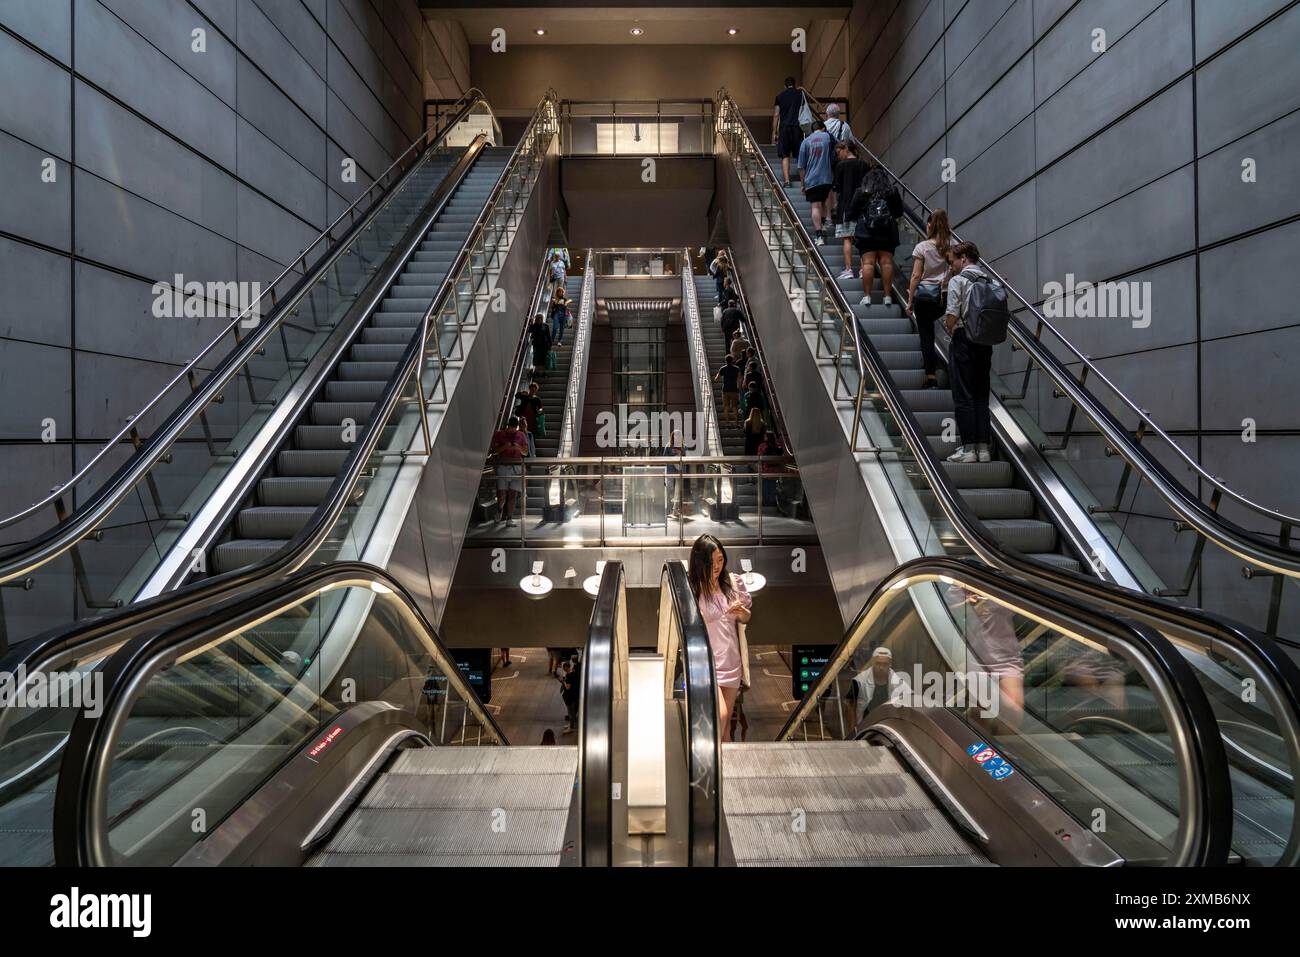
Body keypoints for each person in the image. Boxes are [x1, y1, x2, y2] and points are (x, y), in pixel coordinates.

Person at [688, 535, 752, 742]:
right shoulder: (692, 590)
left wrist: (742, 612)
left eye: (720, 560)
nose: (717, 566)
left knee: (725, 731)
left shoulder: (732, 583)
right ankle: (706, 767)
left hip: (732, 663)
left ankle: (727, 773)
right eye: (711, 562)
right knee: (721, 716)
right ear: (700, 563)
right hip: (707, 666)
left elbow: (745, 617)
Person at [943, 240, 995, 464]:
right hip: (985, 341)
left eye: (952, 261)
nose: (951, 266)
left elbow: (952, 316)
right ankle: (984, 449)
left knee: (964, 395)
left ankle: (968, 449)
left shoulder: (958, 280)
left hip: (964, 339)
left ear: (963, 258)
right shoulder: (989, 280)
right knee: (982, 395)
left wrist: (947, 324)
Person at [905, 208, 952, 390]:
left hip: (924, 297)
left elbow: (916, 276)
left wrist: (909, 301)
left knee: (926, 335)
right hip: (944, 297)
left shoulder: (922, 247)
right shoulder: (951, 245)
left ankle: (931, 376)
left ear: (930, 225)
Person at [847, 164, 904, 307]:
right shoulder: (892, 191)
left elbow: (851, 213)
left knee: (868, 264)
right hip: (887, 232)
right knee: (886, 263)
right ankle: (887, 296)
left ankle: (867, 297)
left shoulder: (862, 192)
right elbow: (898, 212)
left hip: (866, 232)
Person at [830, 140, 870, 279]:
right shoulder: (864, 164)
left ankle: (848, 270)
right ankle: (862, 270)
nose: (838, 155)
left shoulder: (841, 166)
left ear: (846, 149)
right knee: (861, 240)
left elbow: (836, 187)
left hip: (846, 206)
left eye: (839, 152)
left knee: (847, 239)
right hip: (862, 207)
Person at [845, 647, 912, 729]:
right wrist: (853, 732)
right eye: (878, 664)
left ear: (890, 664)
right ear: (872, 663)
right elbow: (850, 707)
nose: (881, 668)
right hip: (865, 727)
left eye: (885, 664)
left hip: (888, 727)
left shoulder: (898, 682)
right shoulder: (859, 681)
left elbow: (910, 701)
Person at [797, 120, 835, 245]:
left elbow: (801, 166)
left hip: (812, 179)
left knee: (815, 206)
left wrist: (802, 184)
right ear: (823, 128)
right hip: (827, 178)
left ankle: (819, 236)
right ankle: (823, 224)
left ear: (813, 130)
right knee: (824, 202)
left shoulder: (805, 142)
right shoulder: (828, 137)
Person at [490, 415, 529, 526]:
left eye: (514, 429)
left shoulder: (521, 435)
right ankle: (500, 509)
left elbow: (525, 452)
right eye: (511, 428)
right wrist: (505, 446)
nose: (513, 431)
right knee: (502, 494)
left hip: (516, 468)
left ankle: (509, 518)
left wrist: (518, 447)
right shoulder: (499, 434)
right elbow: (495, 451)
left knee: (513, 494)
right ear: (508, 426)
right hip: (503, 467)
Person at [772, 76, 805, 188]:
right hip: (797, 128)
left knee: (785, 155)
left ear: (785, 86)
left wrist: (774, 132)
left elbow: (776, 115)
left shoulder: (780, 96)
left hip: (784, 128)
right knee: (800, 155)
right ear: (794, 84)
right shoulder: (800, 94)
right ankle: (803, 183)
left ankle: (787, 181)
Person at [513, 382, 543, 456]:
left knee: (531, 435)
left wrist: (539, 411)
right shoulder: (525, 396)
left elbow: (540, 408)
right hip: (523, 418)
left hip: (532, 420)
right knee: (522, 433)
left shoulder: (537, 399)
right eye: (532, 389)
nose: (533, 391)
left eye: (535, 390)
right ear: (529, 389)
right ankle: (522, 451)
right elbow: (516, 396)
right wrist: (521, 393)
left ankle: (531, 453)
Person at [559, 653, 582, 734]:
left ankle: (571, 727)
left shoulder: (569, 675)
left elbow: (568, 687)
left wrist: (562, 681)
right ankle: (570, 724)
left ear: (566, 667)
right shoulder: (573, 673)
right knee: (571, 712)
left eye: (564, 668)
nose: (563, 669)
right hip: (573, 695)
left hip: (570, 696)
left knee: (571, 712)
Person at [715, 355, 741, 425]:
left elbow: (716, 379)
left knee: (726, 407)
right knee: (735, 407)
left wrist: (718, 375)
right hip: (734, 390)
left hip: (725, 390)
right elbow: (739, 378)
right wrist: (738, 386)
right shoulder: (737, 368)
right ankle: (737, 423)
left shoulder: (722, 368)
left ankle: (727, 423)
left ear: (726, 361)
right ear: (732, 360)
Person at [529, 312, 552, 377]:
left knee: (544, 360)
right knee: (536, 359)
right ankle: (536, 372)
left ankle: (543, 373)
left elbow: (548, 336)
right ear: (536, 319)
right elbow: (530, 330)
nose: (540, 319)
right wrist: (531, 323)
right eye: (538, 318)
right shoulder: (534, 326)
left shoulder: (545, 326)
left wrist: (550, 345)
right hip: (537, 345)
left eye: (541, 318)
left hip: (545, 345)